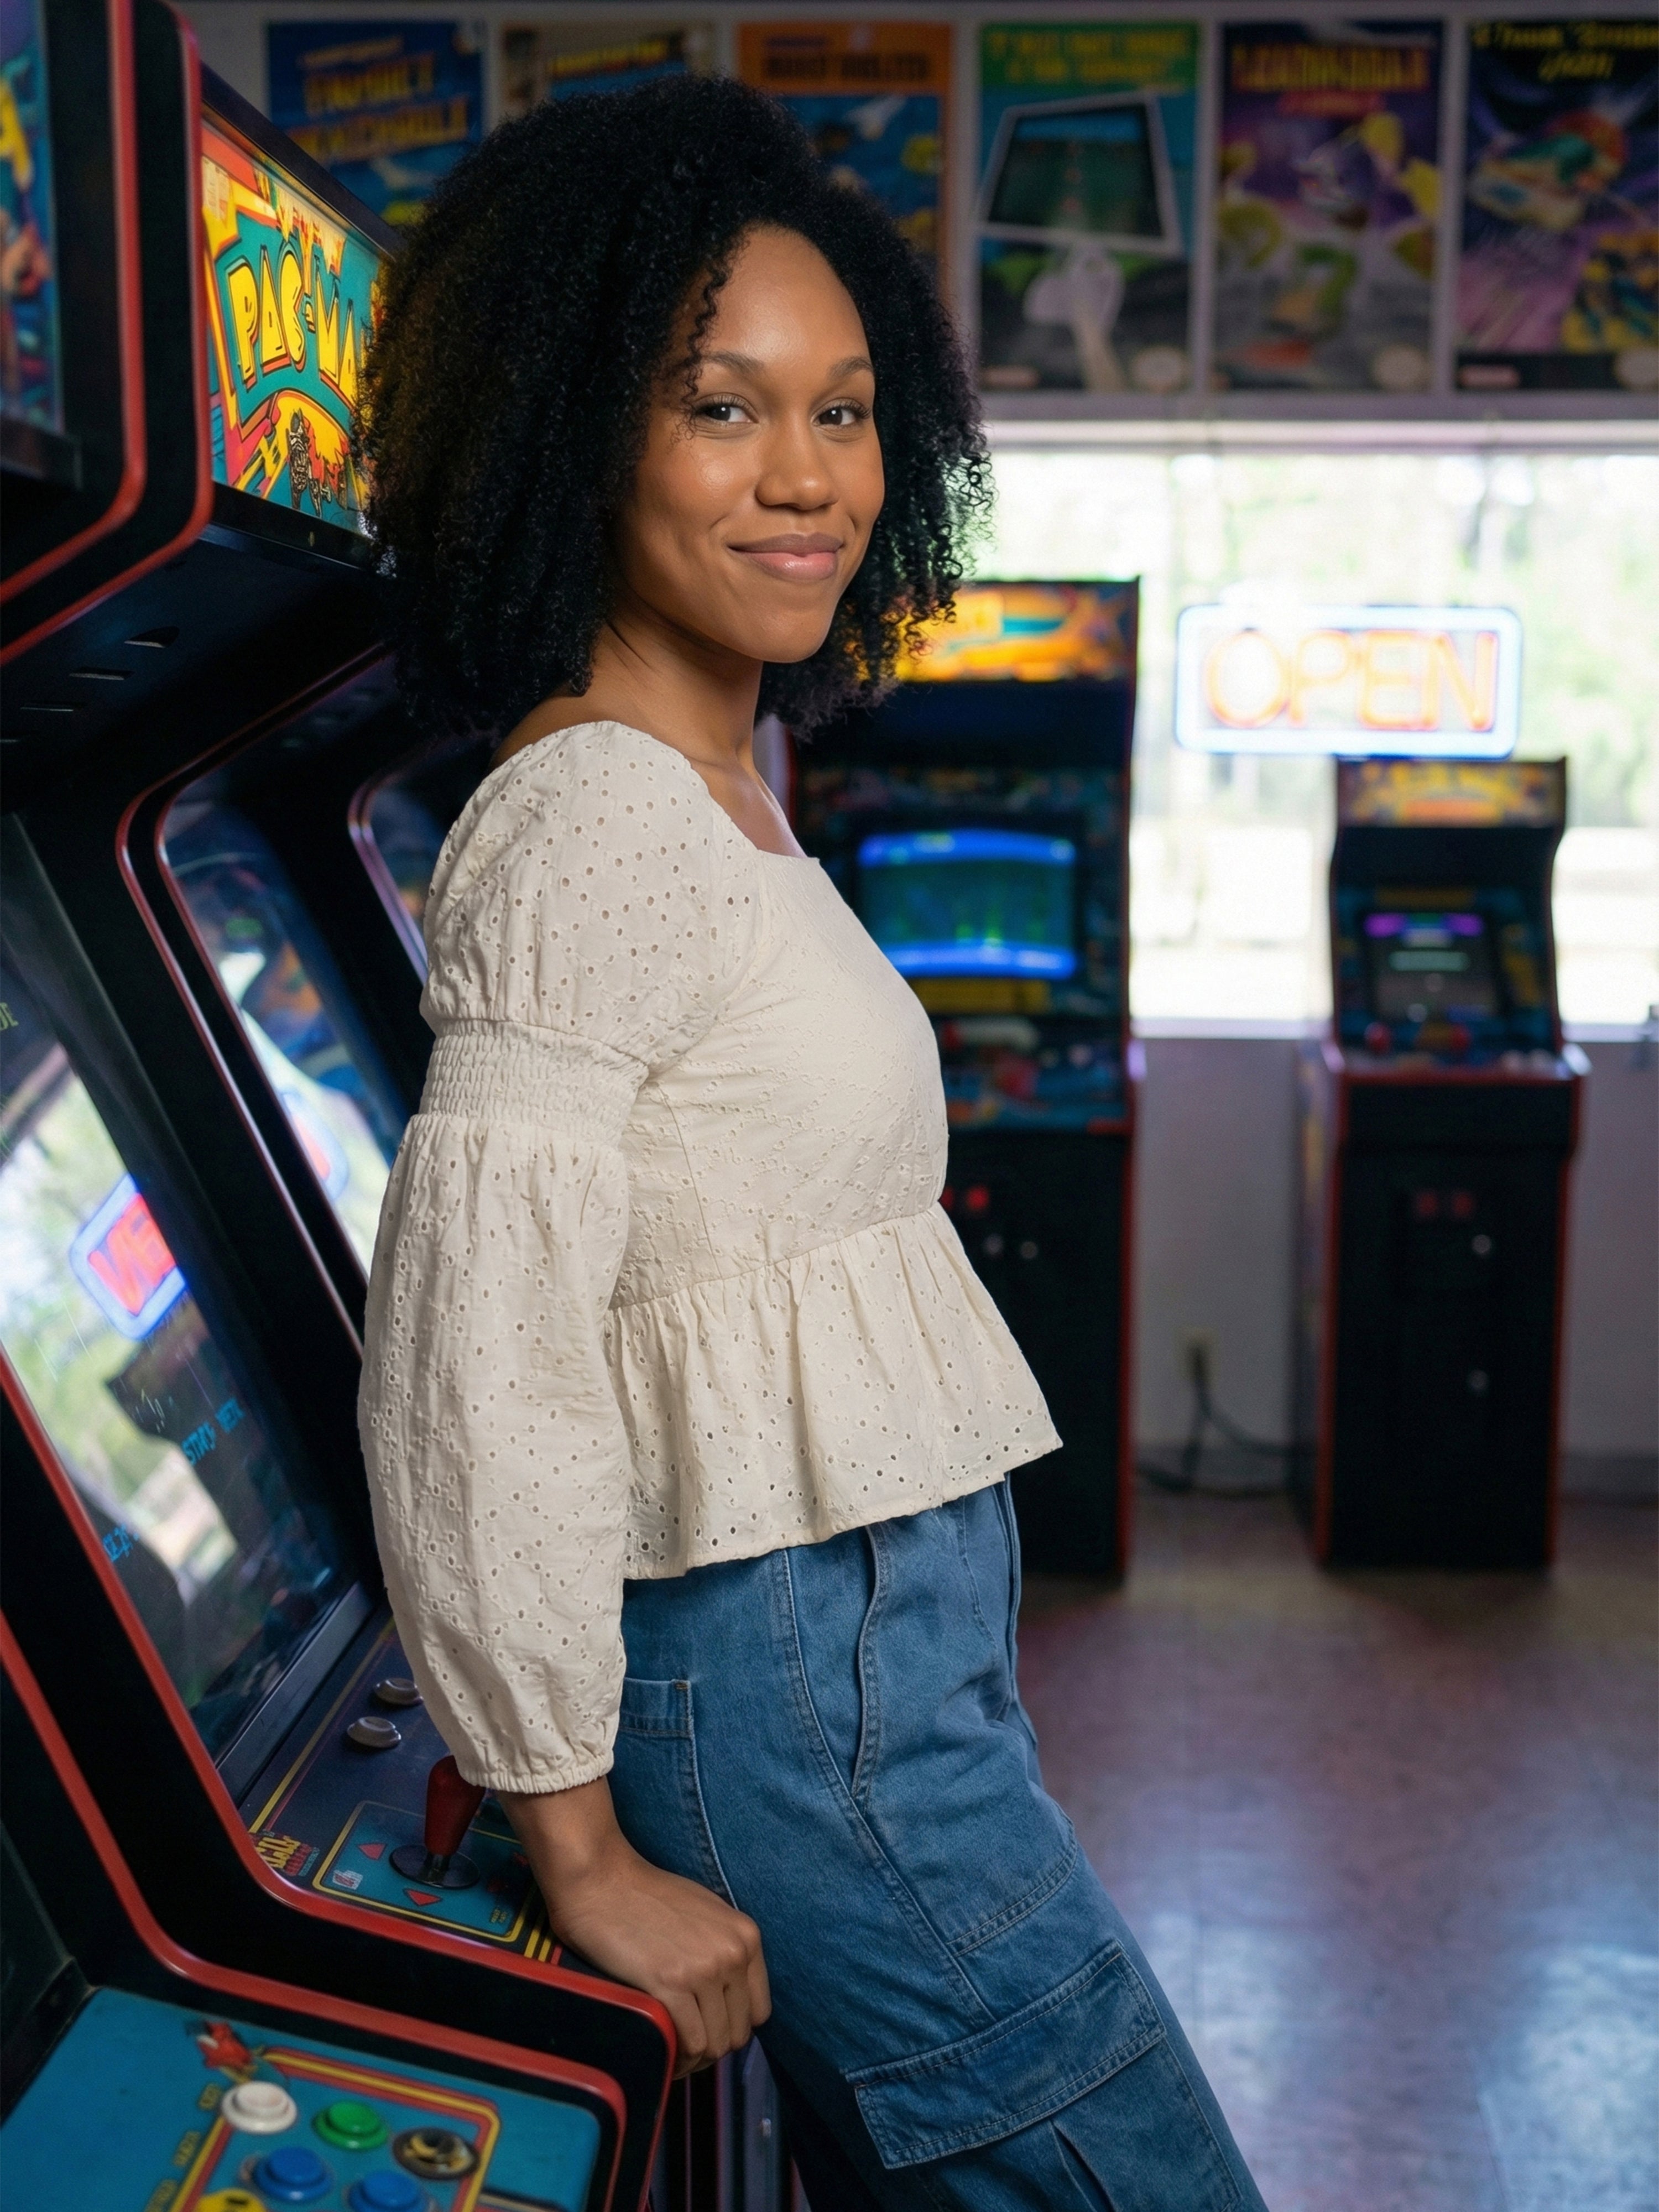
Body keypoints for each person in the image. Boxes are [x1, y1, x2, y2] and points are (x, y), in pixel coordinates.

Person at [357, 74, 1266, 2212]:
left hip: (867, 1679)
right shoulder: (591, 822)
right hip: (792, 1706)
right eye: (720, 408)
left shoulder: (724, 782)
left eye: (845, 414)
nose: (806, 479)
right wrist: (572, 1839)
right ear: (574, 431)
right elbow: (473, 1350)